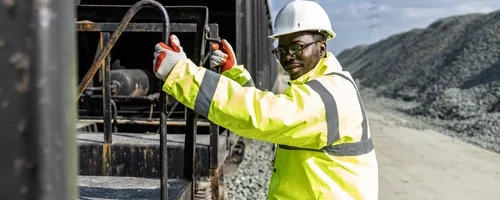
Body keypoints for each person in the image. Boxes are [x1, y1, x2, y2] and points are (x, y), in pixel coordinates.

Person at [151, 0, 379, 199]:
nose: (288, 56)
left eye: (297, 46)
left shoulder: (329, 95)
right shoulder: (319, 86)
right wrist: (233, 74)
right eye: (282, 50)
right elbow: (276, 112)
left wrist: (181, 74)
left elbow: (263, 116)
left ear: (322, 47)